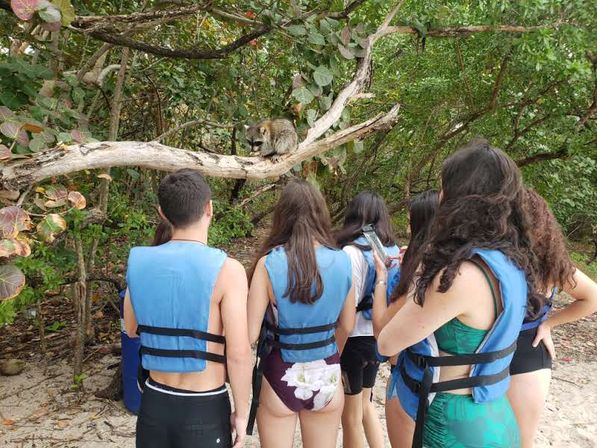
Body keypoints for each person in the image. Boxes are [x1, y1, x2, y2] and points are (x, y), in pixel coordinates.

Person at [376, 138, 544, 448]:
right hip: (494, 412)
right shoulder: (512, 263)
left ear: (459, 198)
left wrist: (418, 271)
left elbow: (387, 341)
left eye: (444, 188)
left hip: (453, 423)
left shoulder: (460, 276)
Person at [123, 169, 252, 448]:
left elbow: (131, 329)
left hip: (154, 402)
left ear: (162, 213)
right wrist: (242, 412)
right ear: (209, 208)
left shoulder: (140, 263)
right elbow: (239, 354)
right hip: (203, 406)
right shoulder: (228, 271)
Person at [247, 180, 355, 448]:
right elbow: (348, 325)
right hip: (327, 371)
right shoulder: (343, 260)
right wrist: (330, 357)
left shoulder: (268, 264)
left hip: (279, 371)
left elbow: (249, 334)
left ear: (282, 216)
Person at [508, 188, 597, 447]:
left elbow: (592, 297)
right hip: (483, 355)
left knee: (518, 441)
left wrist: (550, 322)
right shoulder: (488, 257)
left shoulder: (550, 263)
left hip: (527, 354)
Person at [370, 190, 438, 448]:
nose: (407, 227)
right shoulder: (456, 266)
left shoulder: (413, 274)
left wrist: (382, 277)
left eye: (411, 221)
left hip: (413, 381)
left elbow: (381, 330)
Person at [335, 191, 400, 448]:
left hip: (353, 340)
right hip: (377, 337)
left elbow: (348, 309)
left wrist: (335, 347)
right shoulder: (392, 250)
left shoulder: (351, 252)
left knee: (349, 416)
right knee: (365, 404)